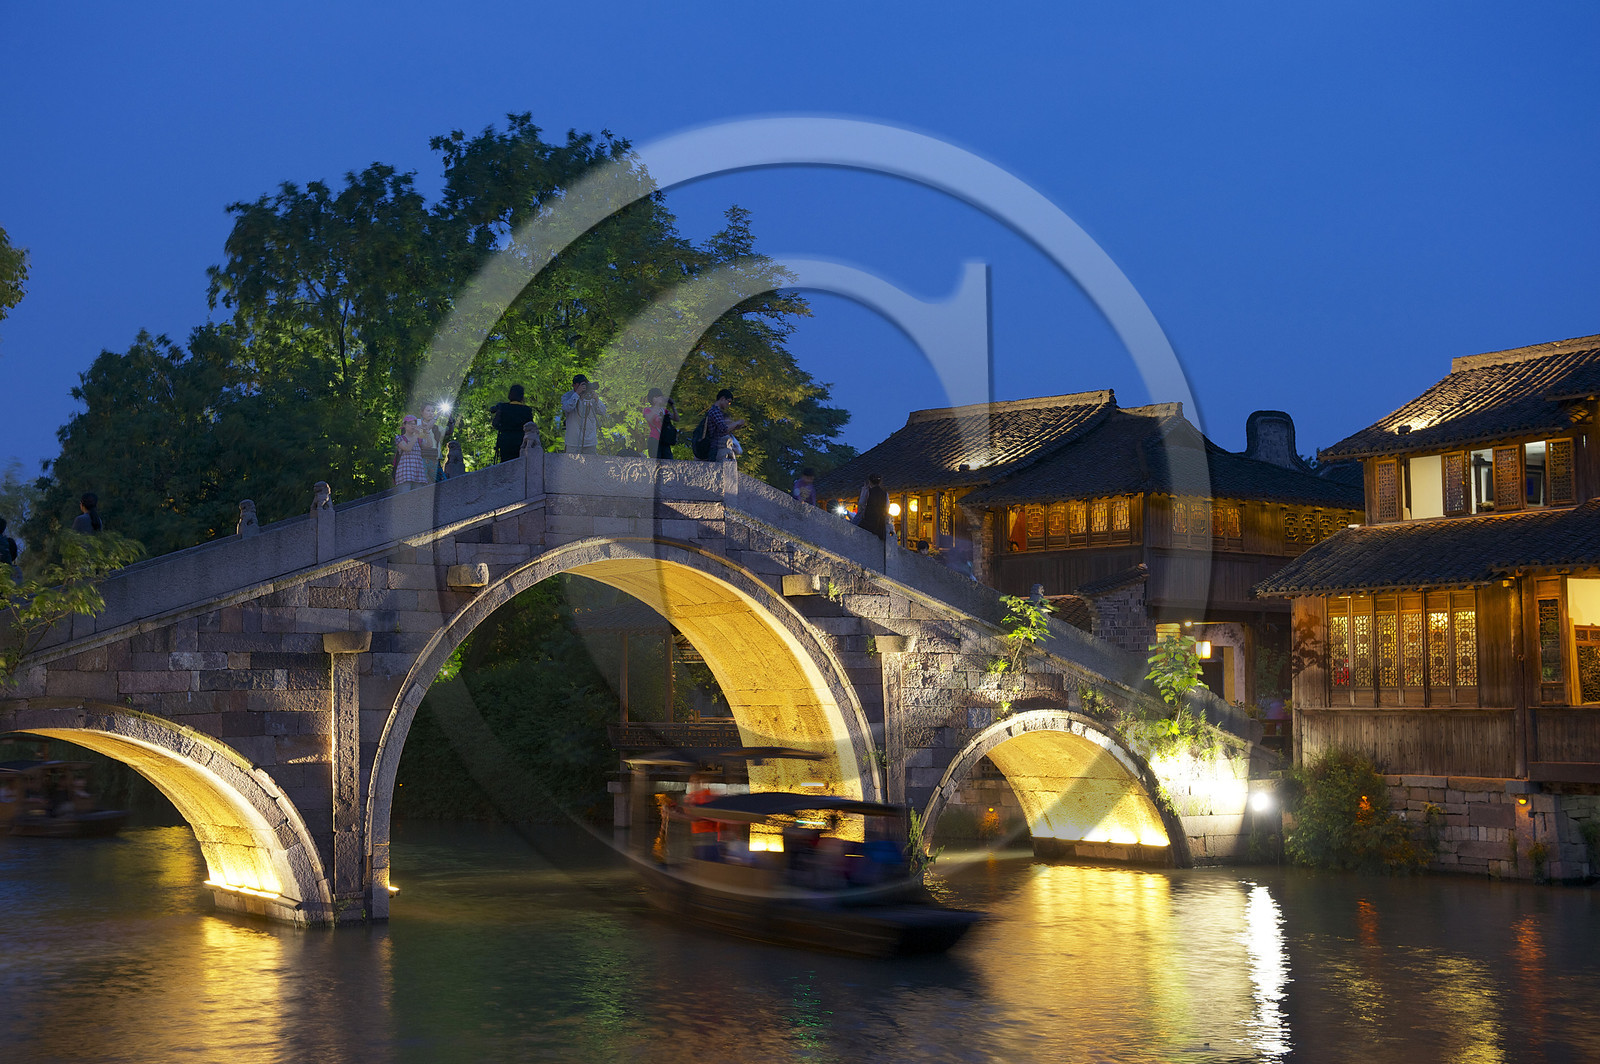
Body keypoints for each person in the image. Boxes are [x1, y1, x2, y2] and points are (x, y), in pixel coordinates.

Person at [561, 374, 607, 455]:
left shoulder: (590, 396)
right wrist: (577, 394)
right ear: (574, 385)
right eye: (581, 385)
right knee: (571, 465)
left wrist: (597, 399)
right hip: (573, 441)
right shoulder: (567, 396)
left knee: (590, 466)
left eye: (585, 384)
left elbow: (603, 411)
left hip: (590, 442)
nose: (583, 387)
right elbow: (567, 407)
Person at [489, 384, 535, 463]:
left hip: (505, 441)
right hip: (521, 441)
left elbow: (495, 423)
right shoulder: (527, 410)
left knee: (505, 465)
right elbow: (530, 427)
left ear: (510, 395)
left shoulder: (502, 407)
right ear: (522, 397)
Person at [698, 388, 745, 461]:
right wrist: (736, 423)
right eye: (728, 402)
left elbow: (720, 431)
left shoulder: (713, 410)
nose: (728, 405)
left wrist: (735, 427)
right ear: (722, 398)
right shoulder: (716, 411)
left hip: (714, 448)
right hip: (714, 448)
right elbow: (723, 429)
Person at [392, 416, 431, 492]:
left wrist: (427, 431)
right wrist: (416, 435)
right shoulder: (399, 438)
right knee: (405, 498)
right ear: (404, 425)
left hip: (418, 472)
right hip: (405, 472)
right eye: (410, 423)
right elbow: (407, 448)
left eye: (415, 423)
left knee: (417, 500)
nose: (413, 425)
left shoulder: (418, 440)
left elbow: (429, 445)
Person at [644, 388, 678, 459]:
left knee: (668, 461)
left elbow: (676, 419)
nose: (660, 398)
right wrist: (657, 405)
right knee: (656, 461)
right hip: (654, 440)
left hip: (665, 440)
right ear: (652, 398)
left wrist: (672, 406)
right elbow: (649, 418)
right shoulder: (647, 410)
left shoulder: (664, 410)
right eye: (657, 397)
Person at [854, 474, 889, 539]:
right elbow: (887, 508)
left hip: (868, 521)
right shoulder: (885, 494)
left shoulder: (868, 491)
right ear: (880, 482)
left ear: (869, 482)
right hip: (880, 523)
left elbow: (861, 504)